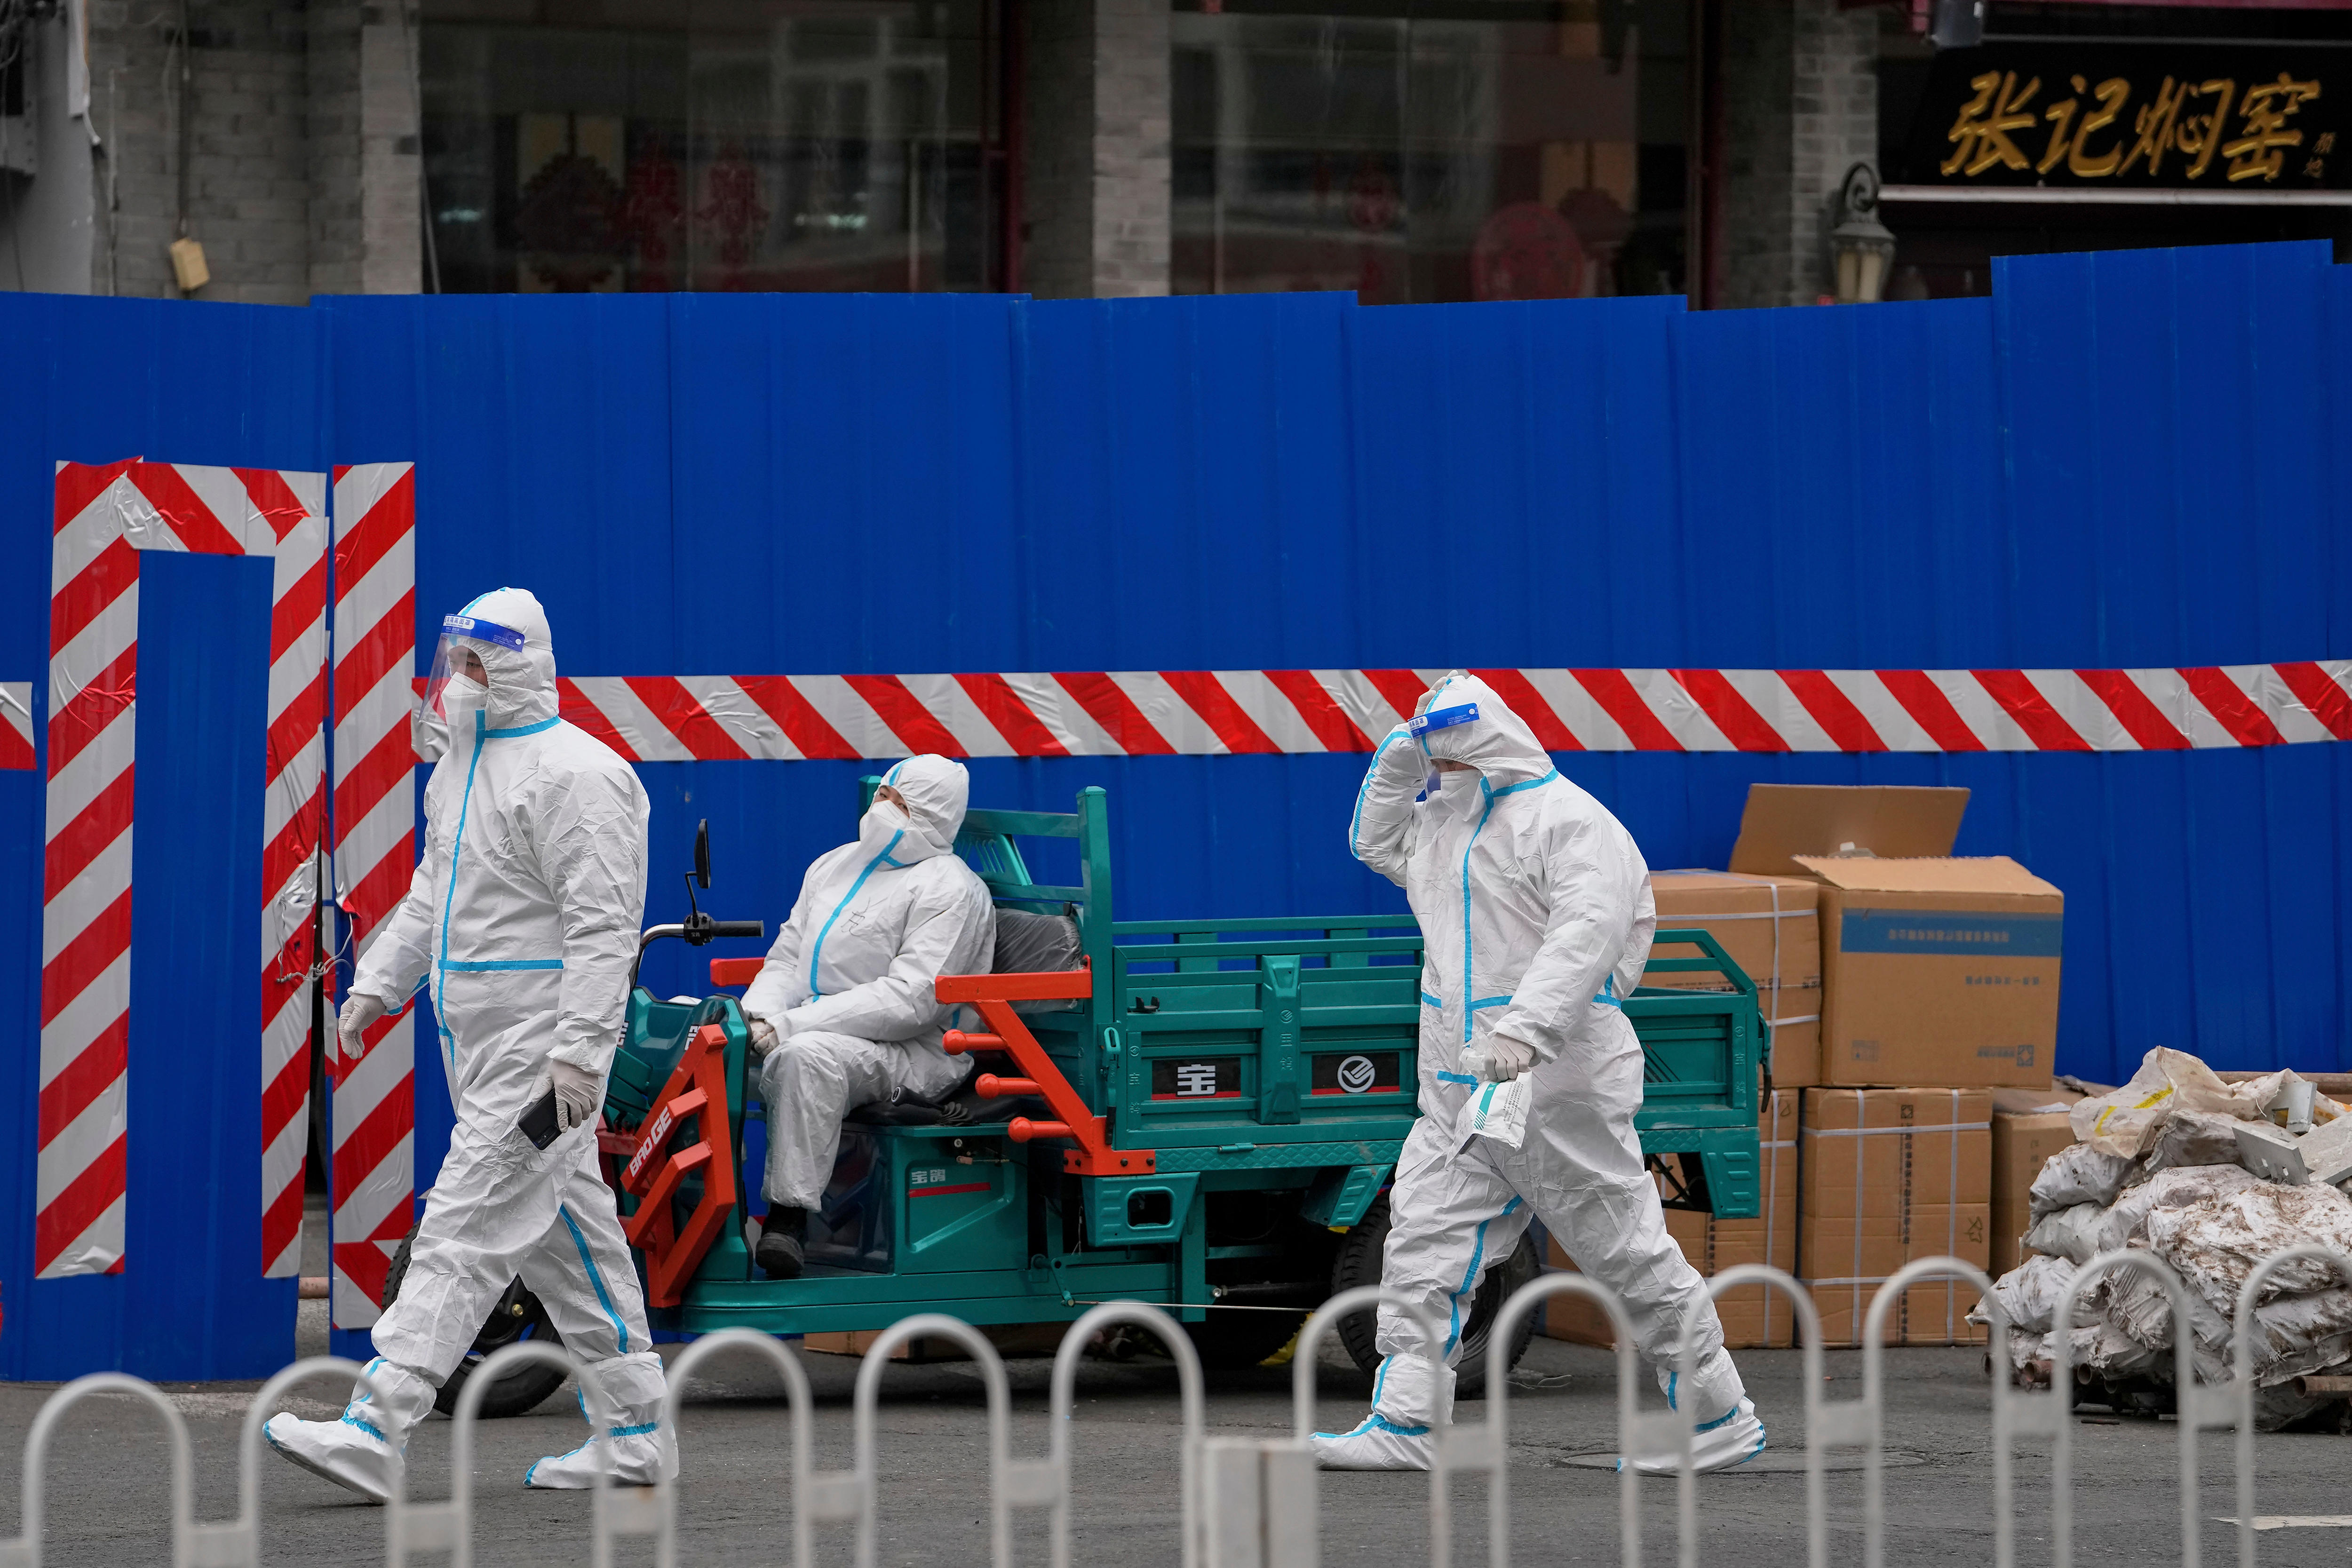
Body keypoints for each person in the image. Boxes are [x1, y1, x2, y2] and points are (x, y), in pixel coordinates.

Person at [264, 588, 672, 1499]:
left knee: (463, 1222)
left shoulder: (581, 775)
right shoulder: (460, 765)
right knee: (571, 1241)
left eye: (477, 663)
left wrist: (577, 1058)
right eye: (453, 660)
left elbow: (603, 929)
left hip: (540, 1053)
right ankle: (638, 1431)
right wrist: (376, 983)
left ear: (523, 665)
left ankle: (377, 1422)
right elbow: (432, 894)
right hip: (480, 1045)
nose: (457, 679)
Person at [1314, 672, 1765, 1473]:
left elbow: (1586, 935)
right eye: (1431, 756)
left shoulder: (1570, 821)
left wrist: (1524, 1033)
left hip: (1554, 1080)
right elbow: (1375, 845)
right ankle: (1407, 1420)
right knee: (1421, 1243)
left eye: (1448, 752)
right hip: (1459, 1086)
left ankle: (1718, 1415)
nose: (1440, 769)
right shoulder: (1446, 826)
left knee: (1625, 1251)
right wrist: (1393, 767)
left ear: (1485, 740)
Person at [740, 755, 996, 1279]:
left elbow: (911, 1002)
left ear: (932, 816)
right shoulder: (835, 865)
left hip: (917, 1050)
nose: (882, 807)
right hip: (816, 1025)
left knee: (806, 1059)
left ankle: (787, 1221)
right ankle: (706, 1213)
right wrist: (756, 1017)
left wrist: (791, 1026)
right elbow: (787, 958)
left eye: (900, 803)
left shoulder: (952, 890)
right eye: (882, 794)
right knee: (708, 1045)